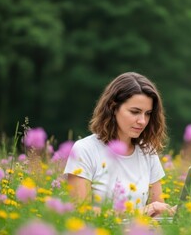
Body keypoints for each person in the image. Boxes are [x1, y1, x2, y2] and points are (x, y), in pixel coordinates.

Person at [63, 72, 175, 217]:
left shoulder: (148, 152)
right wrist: (138, 213)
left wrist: (175, 212)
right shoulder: (85, 149)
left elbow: (158, 212)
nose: (142, 120)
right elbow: (81, 213)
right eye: (135, 112)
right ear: (113, 107)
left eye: (148, 113)